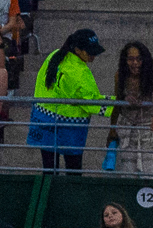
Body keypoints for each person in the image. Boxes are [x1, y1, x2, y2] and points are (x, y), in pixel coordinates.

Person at [29, 28, 106, 172]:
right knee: (73, 169)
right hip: (68, 124)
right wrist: (118, 104)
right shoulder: (79, 71)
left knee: (49, 170)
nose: (93, 55)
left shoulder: (55, 55)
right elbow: (92, 102)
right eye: (89, 52)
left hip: (43, 119)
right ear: (77, 49)